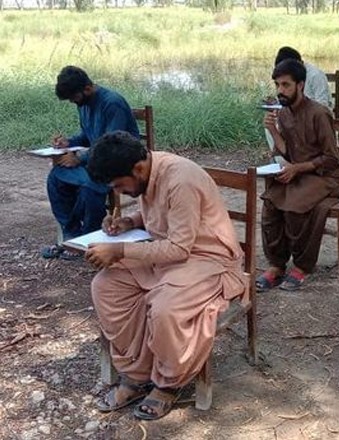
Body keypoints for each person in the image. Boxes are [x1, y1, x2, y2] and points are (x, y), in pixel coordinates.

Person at [84, 131, 247, 420]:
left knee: (165, 308)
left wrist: (119, 250)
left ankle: (168, 383)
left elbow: (179, 249)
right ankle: (136, 374)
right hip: (168, 257)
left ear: (137, 169)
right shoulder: (148, 172)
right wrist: (128, 222)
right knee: (106, 285)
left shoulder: (180, 179)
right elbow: (159, 218)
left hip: (208, 260)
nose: (119, 192)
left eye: (119, 186)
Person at [256, 59, 339, 291]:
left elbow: (331, 159)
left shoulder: (319, 113)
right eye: (277, 85)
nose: (280, 91)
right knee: (271, 202)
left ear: (301, 85)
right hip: (300, 177)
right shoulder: (283, 114)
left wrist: (297, 169)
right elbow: (288, 151)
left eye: (286, 85)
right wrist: (273, 131)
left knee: (295, 206)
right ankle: (277, 265)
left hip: (327, 177)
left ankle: (302, 266)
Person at [43, 65, 139, 260]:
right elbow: (87, 136)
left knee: (91, 186)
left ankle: (88, 236)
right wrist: (69, 143)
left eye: (74, 98)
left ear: (87, 89)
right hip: (97, 161)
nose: (73, 102)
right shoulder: (84, 104)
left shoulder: (112, 103)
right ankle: (71, 233)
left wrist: (79, 158)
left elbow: (113, 144)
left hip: (117, 161)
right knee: (56, 177)